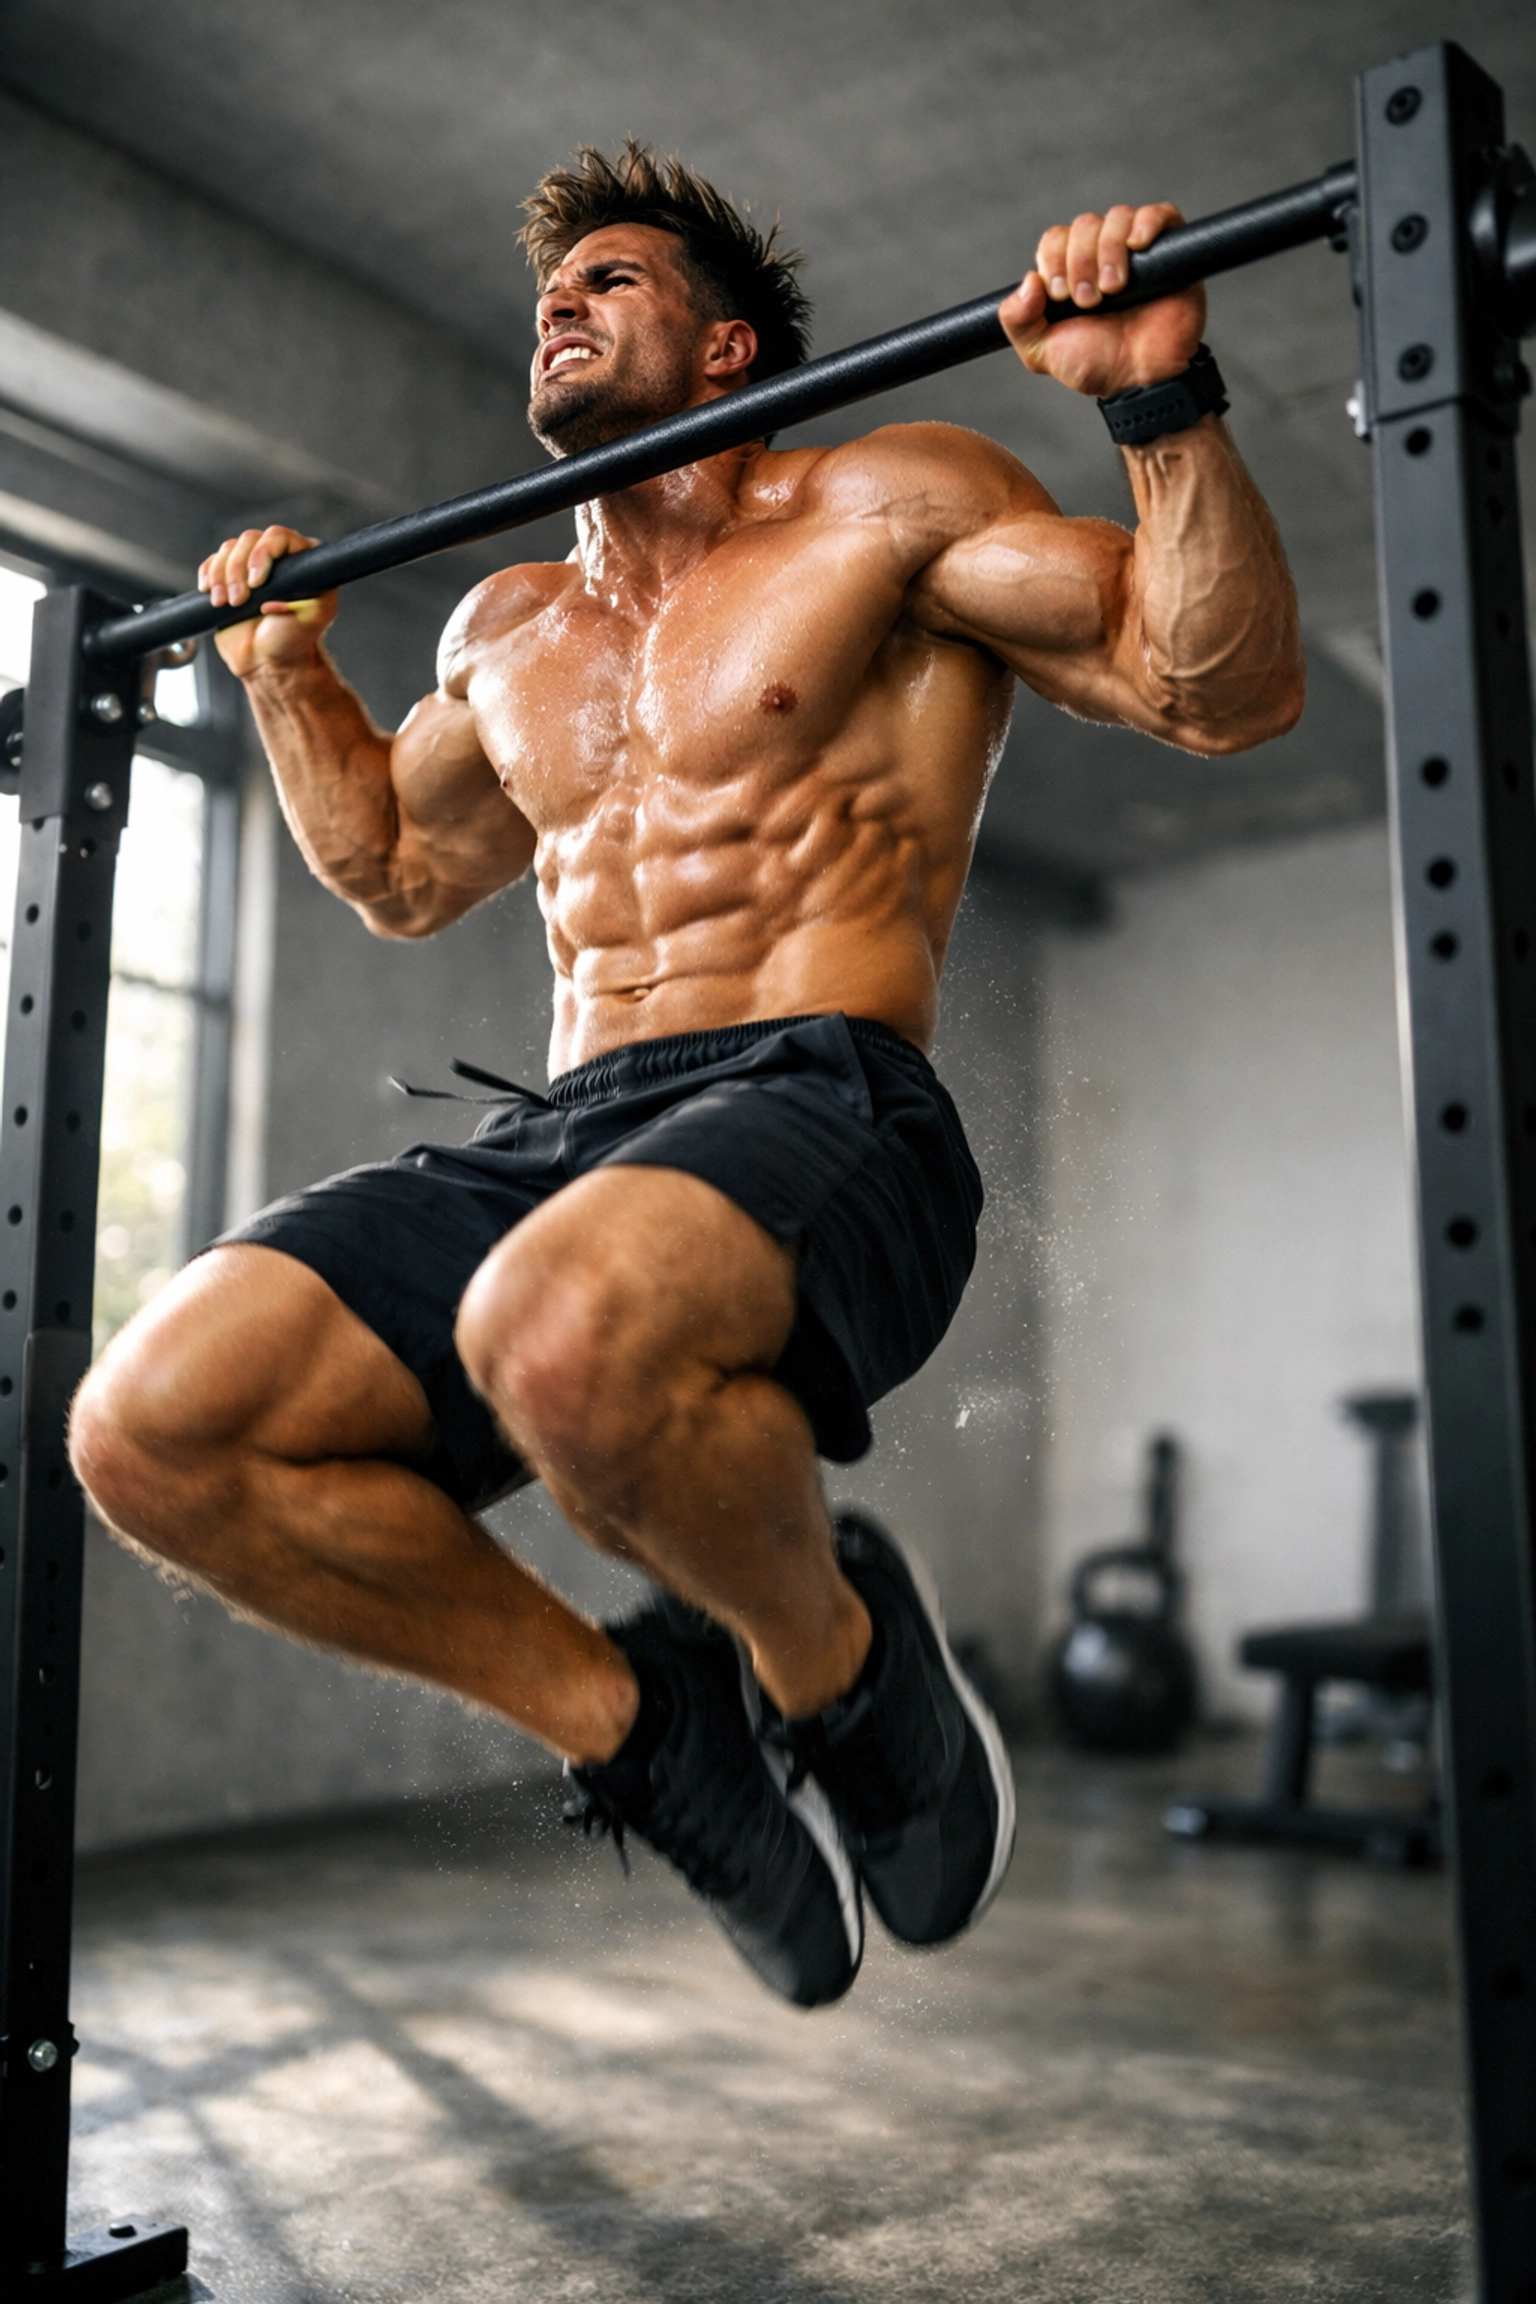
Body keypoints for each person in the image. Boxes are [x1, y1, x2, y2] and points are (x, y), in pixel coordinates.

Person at [69, 144, 1302, 2008]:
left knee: (554, 1327)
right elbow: (400, 874)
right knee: (154, 1427)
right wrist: (282, 677)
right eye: (548, 297)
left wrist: (1157, 394)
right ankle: (645, 1729)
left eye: (611, 284)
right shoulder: (505, 631)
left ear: (729, 349)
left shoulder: (882, 505)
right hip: (566, 1132)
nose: (559, 306)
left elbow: (1219, 685)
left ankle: (838, 1665)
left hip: (829, 1099)